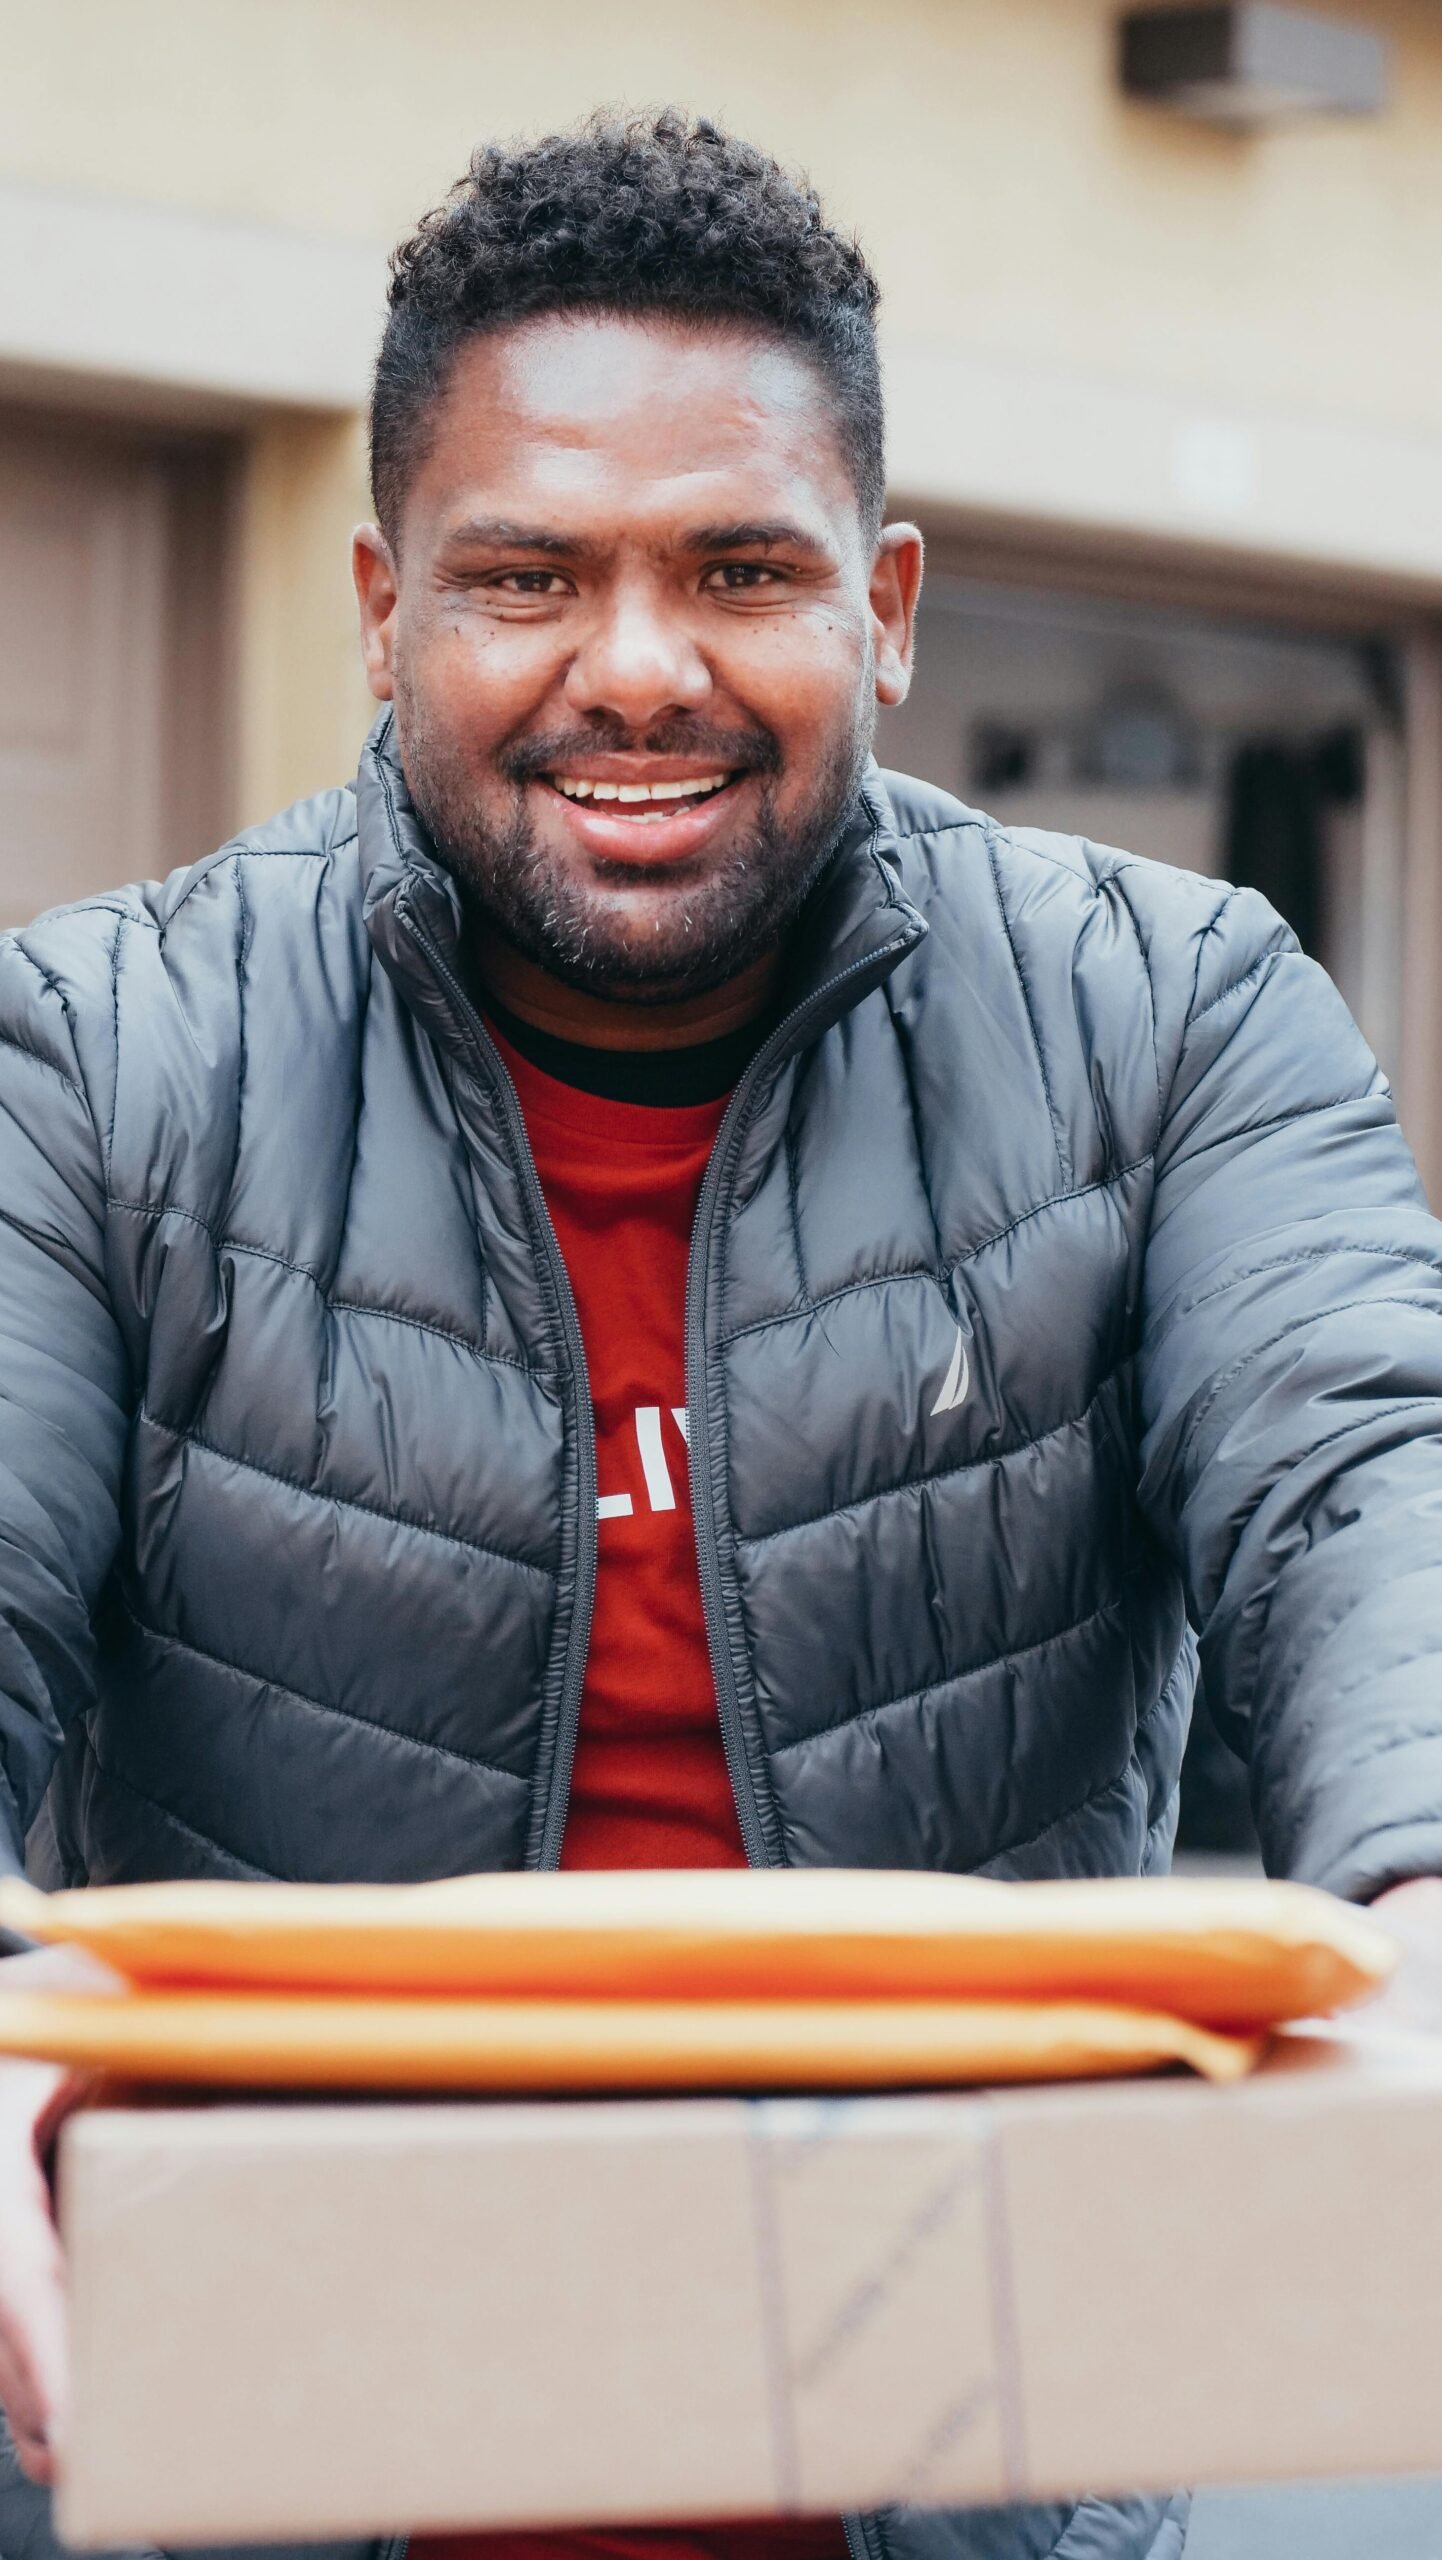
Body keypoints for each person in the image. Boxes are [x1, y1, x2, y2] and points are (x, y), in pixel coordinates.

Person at [0, 108, 1440, 2560]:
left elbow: (1358, 1472)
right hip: (255, 2473)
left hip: (967, 2485)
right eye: (529, 573)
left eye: (738, 569)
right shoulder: (104, 1055)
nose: (638, 667)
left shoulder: (1177, 1018)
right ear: (382, 605)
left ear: (879, 602)